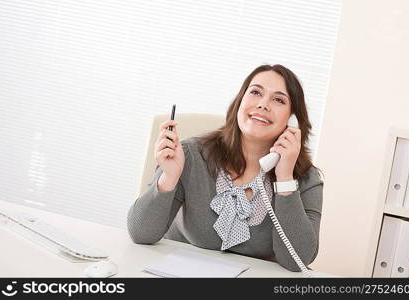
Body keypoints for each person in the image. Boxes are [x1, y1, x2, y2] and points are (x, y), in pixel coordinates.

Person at [127, 64, 324, 272]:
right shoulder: (190, 155)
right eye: (256, 92)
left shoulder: (306, 179)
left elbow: (298, 261)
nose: (263, 105)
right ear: (240, 102)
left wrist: (285, 179)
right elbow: (140, 233)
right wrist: (169, 177)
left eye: (278, 100)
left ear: (292, 119)